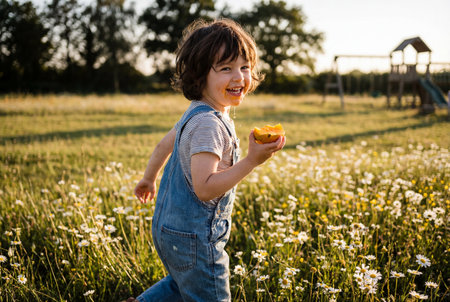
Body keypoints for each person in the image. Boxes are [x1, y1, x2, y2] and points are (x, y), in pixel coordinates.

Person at [129, 18, 286, 302]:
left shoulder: (196, 111)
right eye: (225, 68)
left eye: (244, 67)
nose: (238, 77)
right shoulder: (209, 125)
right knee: (207, 292)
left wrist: (149, 178)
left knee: (181, 285)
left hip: (170, 230)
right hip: (195, 240)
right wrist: (251, 161)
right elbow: (205, 188)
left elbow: (165, 144)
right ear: (200, 76)